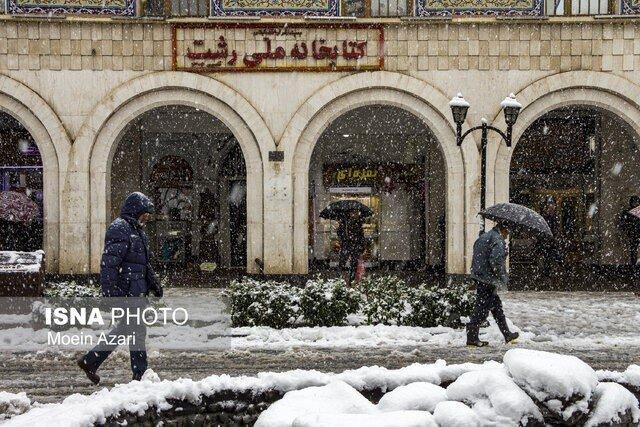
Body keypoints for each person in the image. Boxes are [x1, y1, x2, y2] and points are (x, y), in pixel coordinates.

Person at [77, 192, 163, 384]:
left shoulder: (138, 232)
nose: (146, 218)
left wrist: (154, 284)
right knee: (137, 332)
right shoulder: (120, 229)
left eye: (148, 216)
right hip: (126, 292)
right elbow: (109, 264)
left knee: (126, 329)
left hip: (136, 291)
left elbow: (143, 264)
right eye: (144, 214)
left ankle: (91, 361)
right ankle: (140, 374)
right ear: (135, 211)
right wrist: (109, 294)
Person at [466, 221, 519, 347]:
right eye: (508, 233)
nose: (507, 236)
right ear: (504, 230)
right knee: (481, 309)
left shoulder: (485, 236)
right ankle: (472, 337)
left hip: (481, 277)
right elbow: (495, 261)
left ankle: (507, 334)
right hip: (488, 280)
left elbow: (479, 255)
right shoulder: (497, 240)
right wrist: (503, 278)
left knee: (496, 307)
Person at [337, 209, 366, 286]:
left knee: (353, 264)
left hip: (353, 246)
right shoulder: (345, 222)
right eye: (354, 212)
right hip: (348, 245)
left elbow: (361, 236)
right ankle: (344, 280)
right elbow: (339, 233)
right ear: (349, 213)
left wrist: (362, 246)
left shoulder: (358, 223)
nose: (356, 214)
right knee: (343, 264)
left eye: (356, 213)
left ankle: (350, 281)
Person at [621, 196, 640, 266]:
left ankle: (634, 264)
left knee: (633, 250)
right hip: (633, 233)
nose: (635, 204)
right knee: (633, 250)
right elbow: (623, 224)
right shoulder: (627, 212)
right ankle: (634, 264)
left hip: (634, 233)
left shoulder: (628, 212)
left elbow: (623, 224)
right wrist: (628, 230)